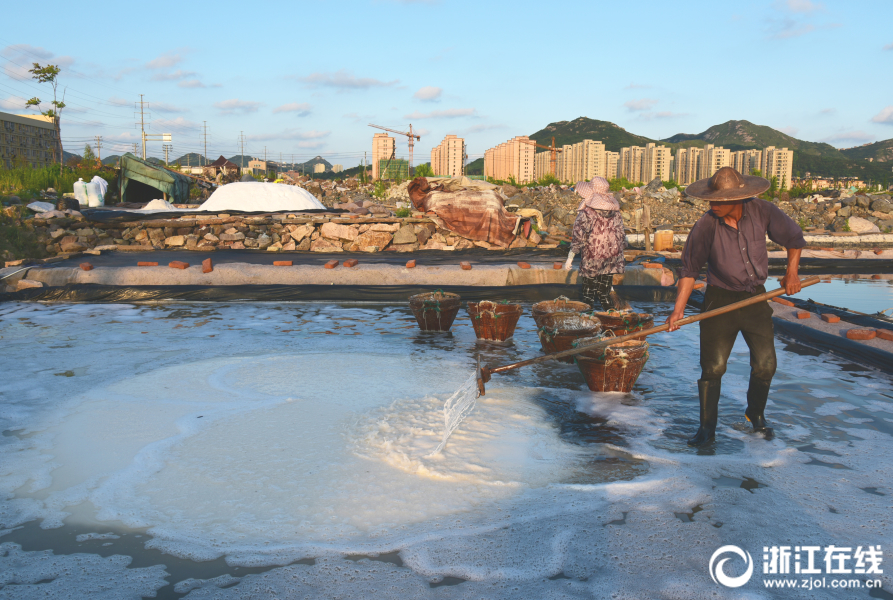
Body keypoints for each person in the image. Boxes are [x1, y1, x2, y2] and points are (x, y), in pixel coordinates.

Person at [666, 167, 806, 446]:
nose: (713, 206)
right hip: (720, 299)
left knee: (766, 365)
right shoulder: (706, 225)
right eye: (711, 201)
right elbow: (690, 269)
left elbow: (794, 238)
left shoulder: (763, 211)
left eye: (719, 201)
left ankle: (755, 415)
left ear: (739, 199)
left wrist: (792, 273)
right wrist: (678, 310)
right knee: (713, 367)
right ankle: (706, 429)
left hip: (755, 299)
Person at [564, 176, 626, 310]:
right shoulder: (616, 212)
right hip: (611, 258)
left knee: (588, 295)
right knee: (604, 294)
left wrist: (570, 258)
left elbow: (578, 235)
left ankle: (588, 323)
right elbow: (621, 236)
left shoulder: (587, 212)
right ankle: (612, 320)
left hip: (592, 257)